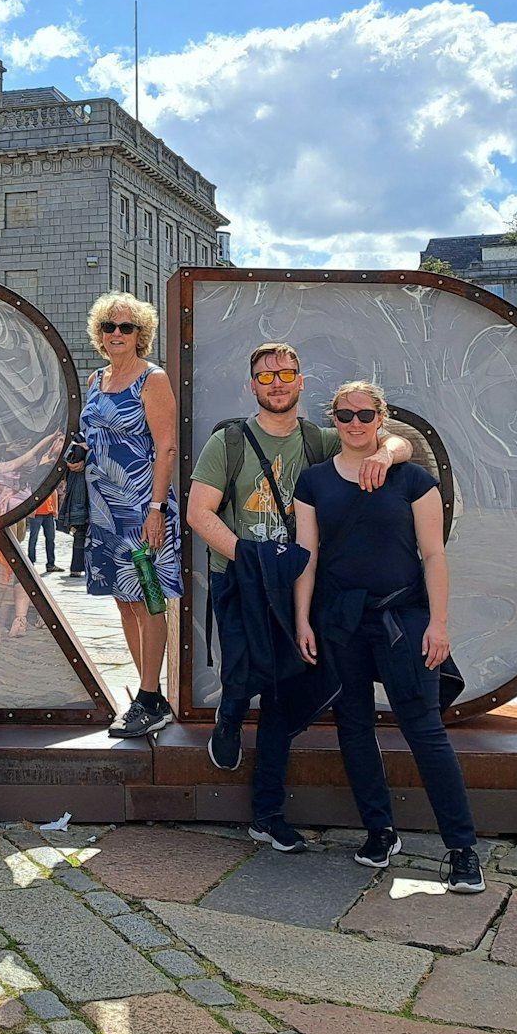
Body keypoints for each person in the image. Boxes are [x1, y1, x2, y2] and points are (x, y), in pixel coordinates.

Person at [186, 344, 413, 853]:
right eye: (266, 376)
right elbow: (199, 513)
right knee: (242, 671)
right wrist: (251, 557)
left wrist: (383, 453)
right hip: (243, 578)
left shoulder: (320, 439)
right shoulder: (230, 441)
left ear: (301, 382)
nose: (277, 383)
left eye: (286, 373)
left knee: (281, 692)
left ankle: (266, 813)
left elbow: (400, 441)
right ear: (253, 385)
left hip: (299, 583)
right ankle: (228, 716)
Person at [293, 379, 484, 893]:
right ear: (333, 420)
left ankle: (462, 849)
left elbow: (434, 554)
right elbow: (306, 557)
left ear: (381, 418)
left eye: (364, 414)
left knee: (424, 730)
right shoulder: (312, 483)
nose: (354, 424)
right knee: (353, 726)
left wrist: (439, 623)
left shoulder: (413, 480)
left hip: (404, 618)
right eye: (343, 415)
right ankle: (380, 831)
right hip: (341, 620)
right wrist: (303, 619)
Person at [82, 292, 182, 739]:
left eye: (126, 327)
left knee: (148, 597)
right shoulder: (94, 380)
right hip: (106, 511)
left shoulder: (152, 379)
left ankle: (147, 696)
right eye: (109, 327)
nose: (117, 334)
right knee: (124, 600)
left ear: (141, 334)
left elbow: (167, 447)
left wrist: (157, 508)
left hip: (142, 507)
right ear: (99, 335)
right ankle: (150, 694)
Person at [57, 430, 89, 580]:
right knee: (81, 533)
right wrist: (81, 447)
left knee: (84, 534)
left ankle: (82, 567)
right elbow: (71, 457)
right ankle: (78, 567)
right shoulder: (79, 438)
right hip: (81, 496)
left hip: (89, 495)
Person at [27, 489, 61, 573]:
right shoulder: (34, 481)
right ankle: (30, 562)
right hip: (36, 513)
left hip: (48, 513)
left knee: (51, 539)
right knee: (33, 539)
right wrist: (30, 509)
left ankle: (51, 564)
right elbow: (27, 493)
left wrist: (55, 509)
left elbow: (53, 491)